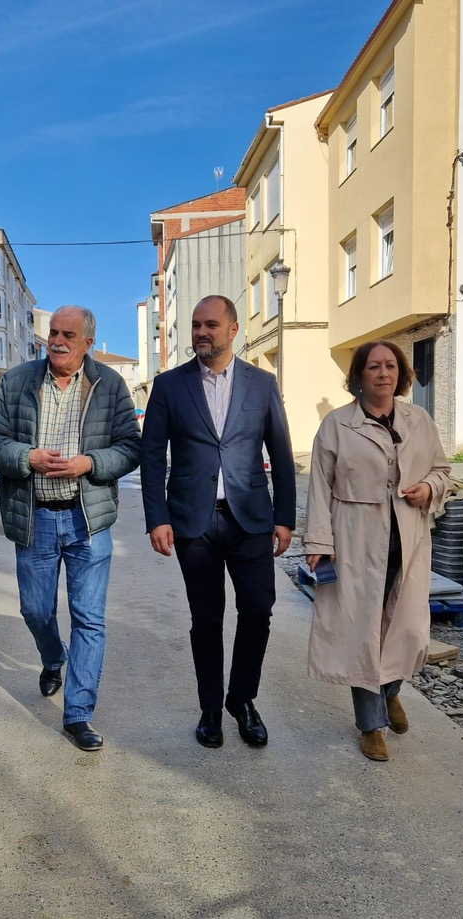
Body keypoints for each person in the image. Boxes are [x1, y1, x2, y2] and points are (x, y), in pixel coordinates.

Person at [0, 305, 141, 752]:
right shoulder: (17, 381)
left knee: (89, 618)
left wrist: (91, 463)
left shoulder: (110, 385)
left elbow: (130, 447)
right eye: (53, 332)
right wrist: (26, 457)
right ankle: (53, 657)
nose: (57, 341)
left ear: (88, 342)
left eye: (68, 334)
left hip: (88, 519)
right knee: (35, 610)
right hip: (35, 518)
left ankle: (78, 714)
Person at [140, 295, 294, 749]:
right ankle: (210, 708)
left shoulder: (262, 384)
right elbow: (152, 457)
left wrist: (284, 517)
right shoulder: (169, 386)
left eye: (210, 324)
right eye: (196, 325)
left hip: (251, 520)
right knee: (206, 619)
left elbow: (282, 454)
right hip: (195, 522)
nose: (201, 332)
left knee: (258, 612)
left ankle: (241, 700)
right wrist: (157, 517)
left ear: (233, 330)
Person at [302, 340, 450, 762]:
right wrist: (319, 543)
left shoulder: (419, 421)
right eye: (373, 367)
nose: (383, 373)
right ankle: (370, 725)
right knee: (361, 630)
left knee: (407, 628)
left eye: (390, 366)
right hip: (355, 539)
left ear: (400, 374)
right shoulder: (336, 425)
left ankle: (390, 690)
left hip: (408, 536)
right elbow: (319, 487)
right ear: (359, 377)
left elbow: (441, 469)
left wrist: (429, 488)